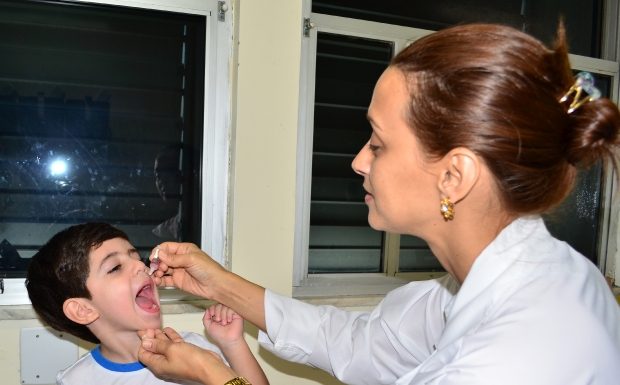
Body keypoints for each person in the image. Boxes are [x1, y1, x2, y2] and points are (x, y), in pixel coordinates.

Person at [138, 22, 620, 385]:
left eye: (379, 143)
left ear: (454, 176)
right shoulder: (501, 277)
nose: (357, 162)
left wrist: (213, 375)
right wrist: (218, 283)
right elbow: (358, 342)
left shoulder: (519, 358)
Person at [25, 222, 268, 385]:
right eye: (115, 267)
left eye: (136, 257)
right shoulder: (76, 380)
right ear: (83, 310)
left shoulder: (193, 348)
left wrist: (233, 344)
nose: (141, 266)